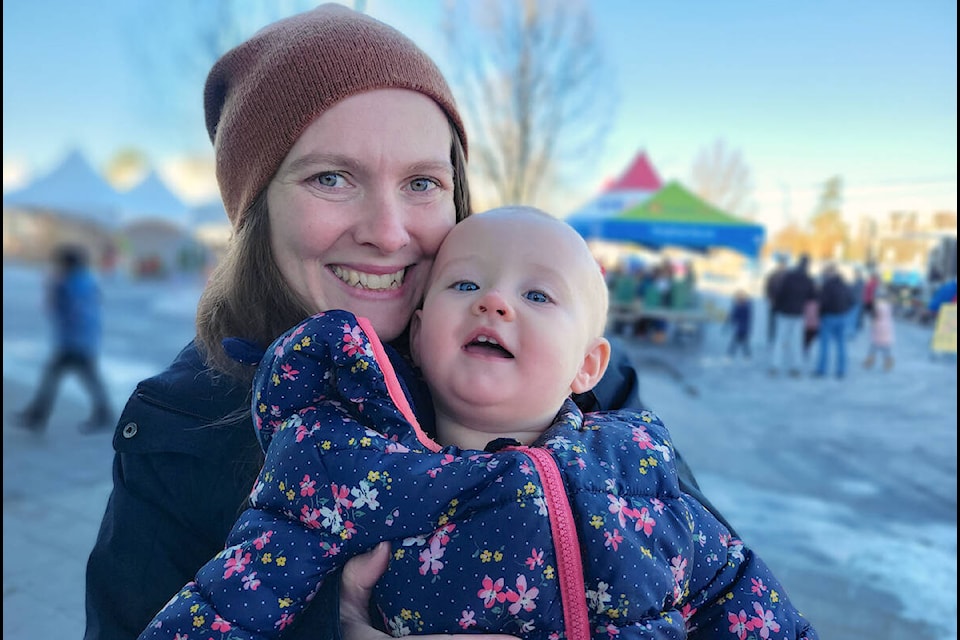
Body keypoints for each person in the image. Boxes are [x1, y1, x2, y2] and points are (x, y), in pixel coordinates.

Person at [84, 6, 730, 640]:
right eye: (331, 178)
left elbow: (721, 594)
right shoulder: (181, 428)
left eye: (422, 183)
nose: (389, 234)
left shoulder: (581, 383)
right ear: (256, 211)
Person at [139, 207, 818, 640]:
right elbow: (229, 605)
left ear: (587, 366)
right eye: (465, 285)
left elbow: (740, 595)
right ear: (422, 322)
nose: (494, 301)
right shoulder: (346, 468)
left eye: (538, 294)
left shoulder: (639, 469)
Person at [15, 243, 113, 433]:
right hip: (83, 339)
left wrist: (52, 286)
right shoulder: (85, 279)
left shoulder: (70, 283)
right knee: (85, 378)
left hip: (74, 341)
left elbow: (55, 308)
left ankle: (37, 415)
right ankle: (38, 414)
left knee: (57, 377)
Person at [768, 254, 816, 377]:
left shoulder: (788, 276)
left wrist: (777, 307)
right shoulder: (808, 279)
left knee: (780, 340)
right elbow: (812, 296)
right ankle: (795, 367)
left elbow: (780, 293)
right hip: (798, 314)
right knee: (797, 341)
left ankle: (775, 366)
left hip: (784, 312)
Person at [812, 263, 854, 379]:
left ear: (829, 273)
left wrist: (821, 313)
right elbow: (851, 300)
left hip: (828, 317)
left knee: (825, 345)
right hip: (842, 317)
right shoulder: (845, 284)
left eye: (825, 273)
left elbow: (822, 302)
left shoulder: (827, 286)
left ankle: (822, 369)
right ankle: (841, 370)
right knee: (841, 345)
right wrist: (845, 311)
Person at [863, 286, 896, 371]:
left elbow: (874, 317)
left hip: (878, 327)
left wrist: (871, 324)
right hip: (887, 327)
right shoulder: (889, 305)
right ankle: (888, 362)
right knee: (886, 346)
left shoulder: (877, 306)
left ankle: (870, 360)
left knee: (874, 344)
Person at [763, 253, 788, 347]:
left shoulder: (789, 276)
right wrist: (770, 299)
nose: (782, 266)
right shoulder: (773, 275)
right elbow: (767, 288)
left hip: (784, 304)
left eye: (784, 264)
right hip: (774, 303)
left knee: (783, 323)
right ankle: (771, 339)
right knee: (772, 323)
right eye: (781, 264)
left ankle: (783, 341)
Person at [726, 289, 753, 358]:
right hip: (743, 327)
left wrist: (731, 319)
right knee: (742, 342)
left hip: (741, 328)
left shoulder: (742, 307)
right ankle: (746, 354)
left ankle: (731, 354)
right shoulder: (746, 306)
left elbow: (735, 316)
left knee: (738, 342)